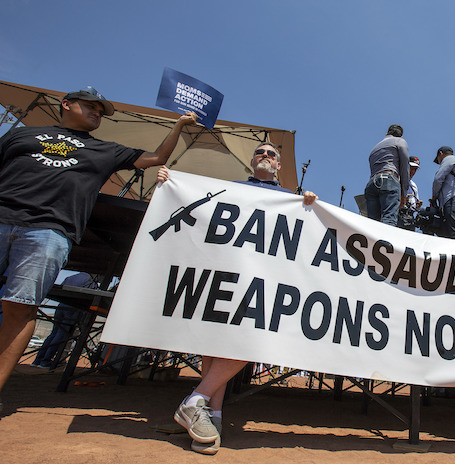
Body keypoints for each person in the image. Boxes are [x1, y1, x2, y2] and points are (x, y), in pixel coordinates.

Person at [0, 86, 198, 401]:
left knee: (20, 308)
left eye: (101, 111)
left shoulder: (107, 150)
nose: (97, 113)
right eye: (91, 106)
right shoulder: (22, 136)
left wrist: (178, 125)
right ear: (66, 104)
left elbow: (157, 158)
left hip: (49, 231)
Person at [158, 142, 318, 455]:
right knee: (213, 342)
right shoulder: (229, 188)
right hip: (226, 270)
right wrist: (169, 183)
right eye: (261, 152)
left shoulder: (290, 198)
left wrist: (309, 204)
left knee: (251, 339)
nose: (266, 156)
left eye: (272, 154)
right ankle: (211, 415)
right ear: (252, 159)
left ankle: (194, 400)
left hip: (263, 279)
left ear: (279, 166)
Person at [31, 272, 98, 369]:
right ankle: (46, 361)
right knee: (62, 334)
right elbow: (91, 296)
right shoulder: (89, 280)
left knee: (54, 333)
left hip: (61, 306)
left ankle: (38, 360)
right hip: (73, 307)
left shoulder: (71, 277)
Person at [364, 124, 410, 226]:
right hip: (389, 179)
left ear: (387, 134)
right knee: (389, 218)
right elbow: (404, 168)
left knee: (372, 223)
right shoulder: (400, 141)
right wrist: (404, 193)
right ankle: (385, 242)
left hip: (372, 183)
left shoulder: (375, 148)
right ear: (401, 136)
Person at [431, 146, 455, 240]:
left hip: (452, 201)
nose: (439, 162)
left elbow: (438, 178)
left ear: (440, 153)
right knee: (449, 237)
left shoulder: (450, 159)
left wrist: (434, 197)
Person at [397, 156, 422, 231]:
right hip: (398, 215)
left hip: (410, 218)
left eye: (415, 169)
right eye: (411, 168)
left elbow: (417, 208)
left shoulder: (413, 185)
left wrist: (418, 205)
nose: (413, 171)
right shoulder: (397, 180)